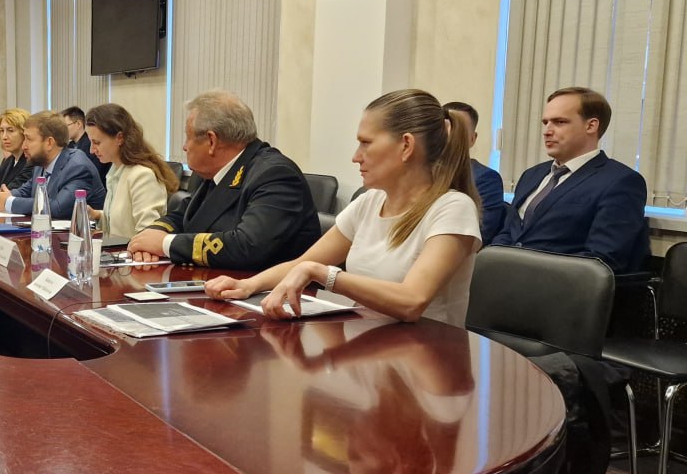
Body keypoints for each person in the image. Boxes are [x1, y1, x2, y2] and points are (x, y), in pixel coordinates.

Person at [205, 89, 482, 325]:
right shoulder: (369, 202)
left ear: (406, 145)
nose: (356, 157)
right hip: (373, 347)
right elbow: (302, 263)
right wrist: (248, 285)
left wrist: (324, 275)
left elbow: (411, 301)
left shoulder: (453, 208)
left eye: (366, 143)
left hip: (429, 358)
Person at [127, 90, 320, 269]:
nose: (184, 147)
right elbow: (184, 216)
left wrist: (165, 244)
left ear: (211, 141)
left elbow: (248, 245)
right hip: (221, 282)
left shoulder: (275, 175)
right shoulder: (217, 172)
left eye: (188, 137)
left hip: (269, 291)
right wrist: (151, 235)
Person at [490, 86, 649, 274]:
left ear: (591, 126)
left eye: (559, 122)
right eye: (545, 122)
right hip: (505, 278)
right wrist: (491, 261)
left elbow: (602, 258)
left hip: (559, 284)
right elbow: (509, 232)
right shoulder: (531, 175)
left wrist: (529, 274)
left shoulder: (620, 181)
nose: (547, 131)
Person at [82, 103, 177, 239]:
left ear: (119, 138)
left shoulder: (142, 176)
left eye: (97, 142)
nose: (91, 150)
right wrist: (97, 216)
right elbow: (121, 224)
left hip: (130, 252)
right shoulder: (116, 171)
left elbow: (147, 235)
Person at [0, 110, 105, 218]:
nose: (24, 146)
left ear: (49, 143)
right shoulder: (41, 164)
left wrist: (8, 202)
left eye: (29, 139)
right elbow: (25, 191)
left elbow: (58, 208)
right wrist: (3, 196)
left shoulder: (77, 167)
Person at [444, 101, 507, 244]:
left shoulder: (485, 178)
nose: (449, 135)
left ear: (473, 138)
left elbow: (478, 235)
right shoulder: (421, 172)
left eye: (458, 131)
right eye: (444, 128)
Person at [61, 104, 109, 178]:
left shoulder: (93, 145)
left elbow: (92, 173)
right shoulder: (69, 146)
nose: (63, 130)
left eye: (65, 126)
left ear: (78, 124)